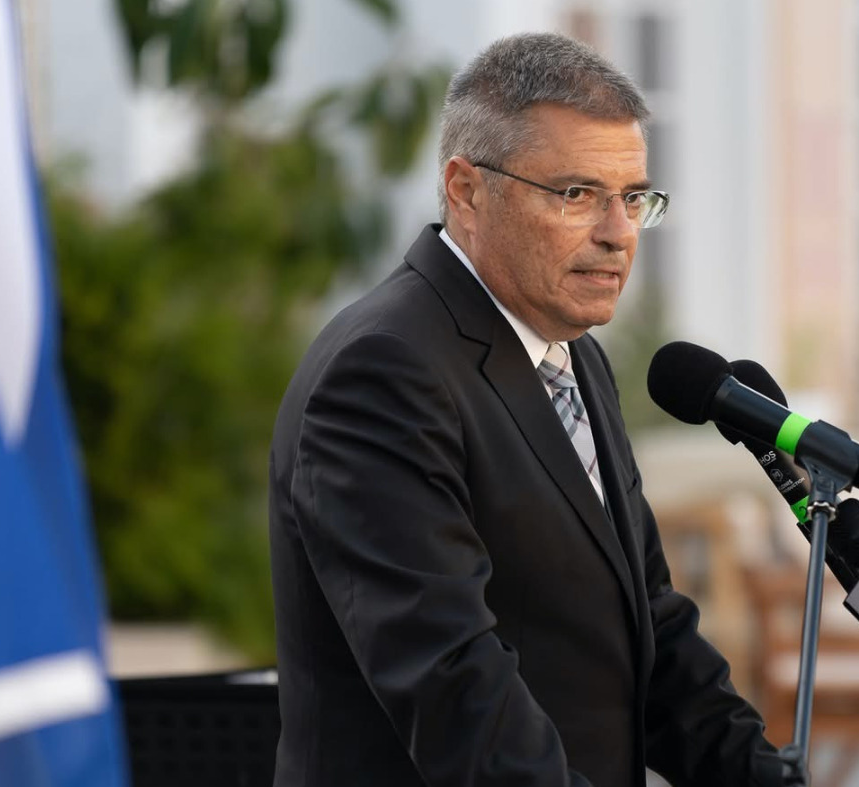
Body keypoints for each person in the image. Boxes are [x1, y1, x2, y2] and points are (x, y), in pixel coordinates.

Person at [269, 32, 781, 787]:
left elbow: (652, 630)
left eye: (633, 198)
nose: (618, 233)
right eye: (577, 194)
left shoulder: (574, 354)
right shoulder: (383, 372)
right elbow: (456, 690)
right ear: (467, 190)